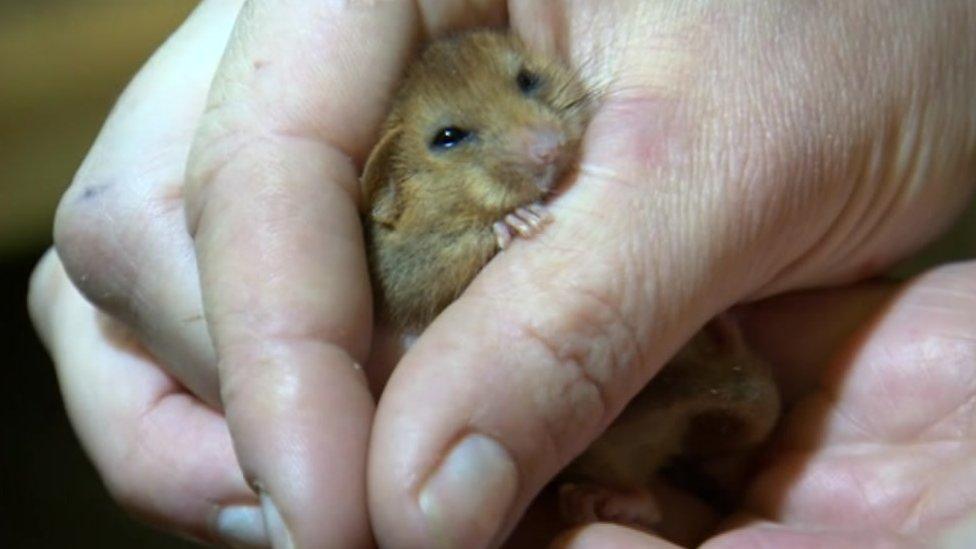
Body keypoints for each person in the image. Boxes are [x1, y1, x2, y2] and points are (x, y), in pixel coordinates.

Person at [28, 1, 976, 547]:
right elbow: (405, 288)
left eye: (528, 87)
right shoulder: (398, 235)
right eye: (455, 139)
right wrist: (479, 244)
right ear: (388, 187)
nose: (537, 135)